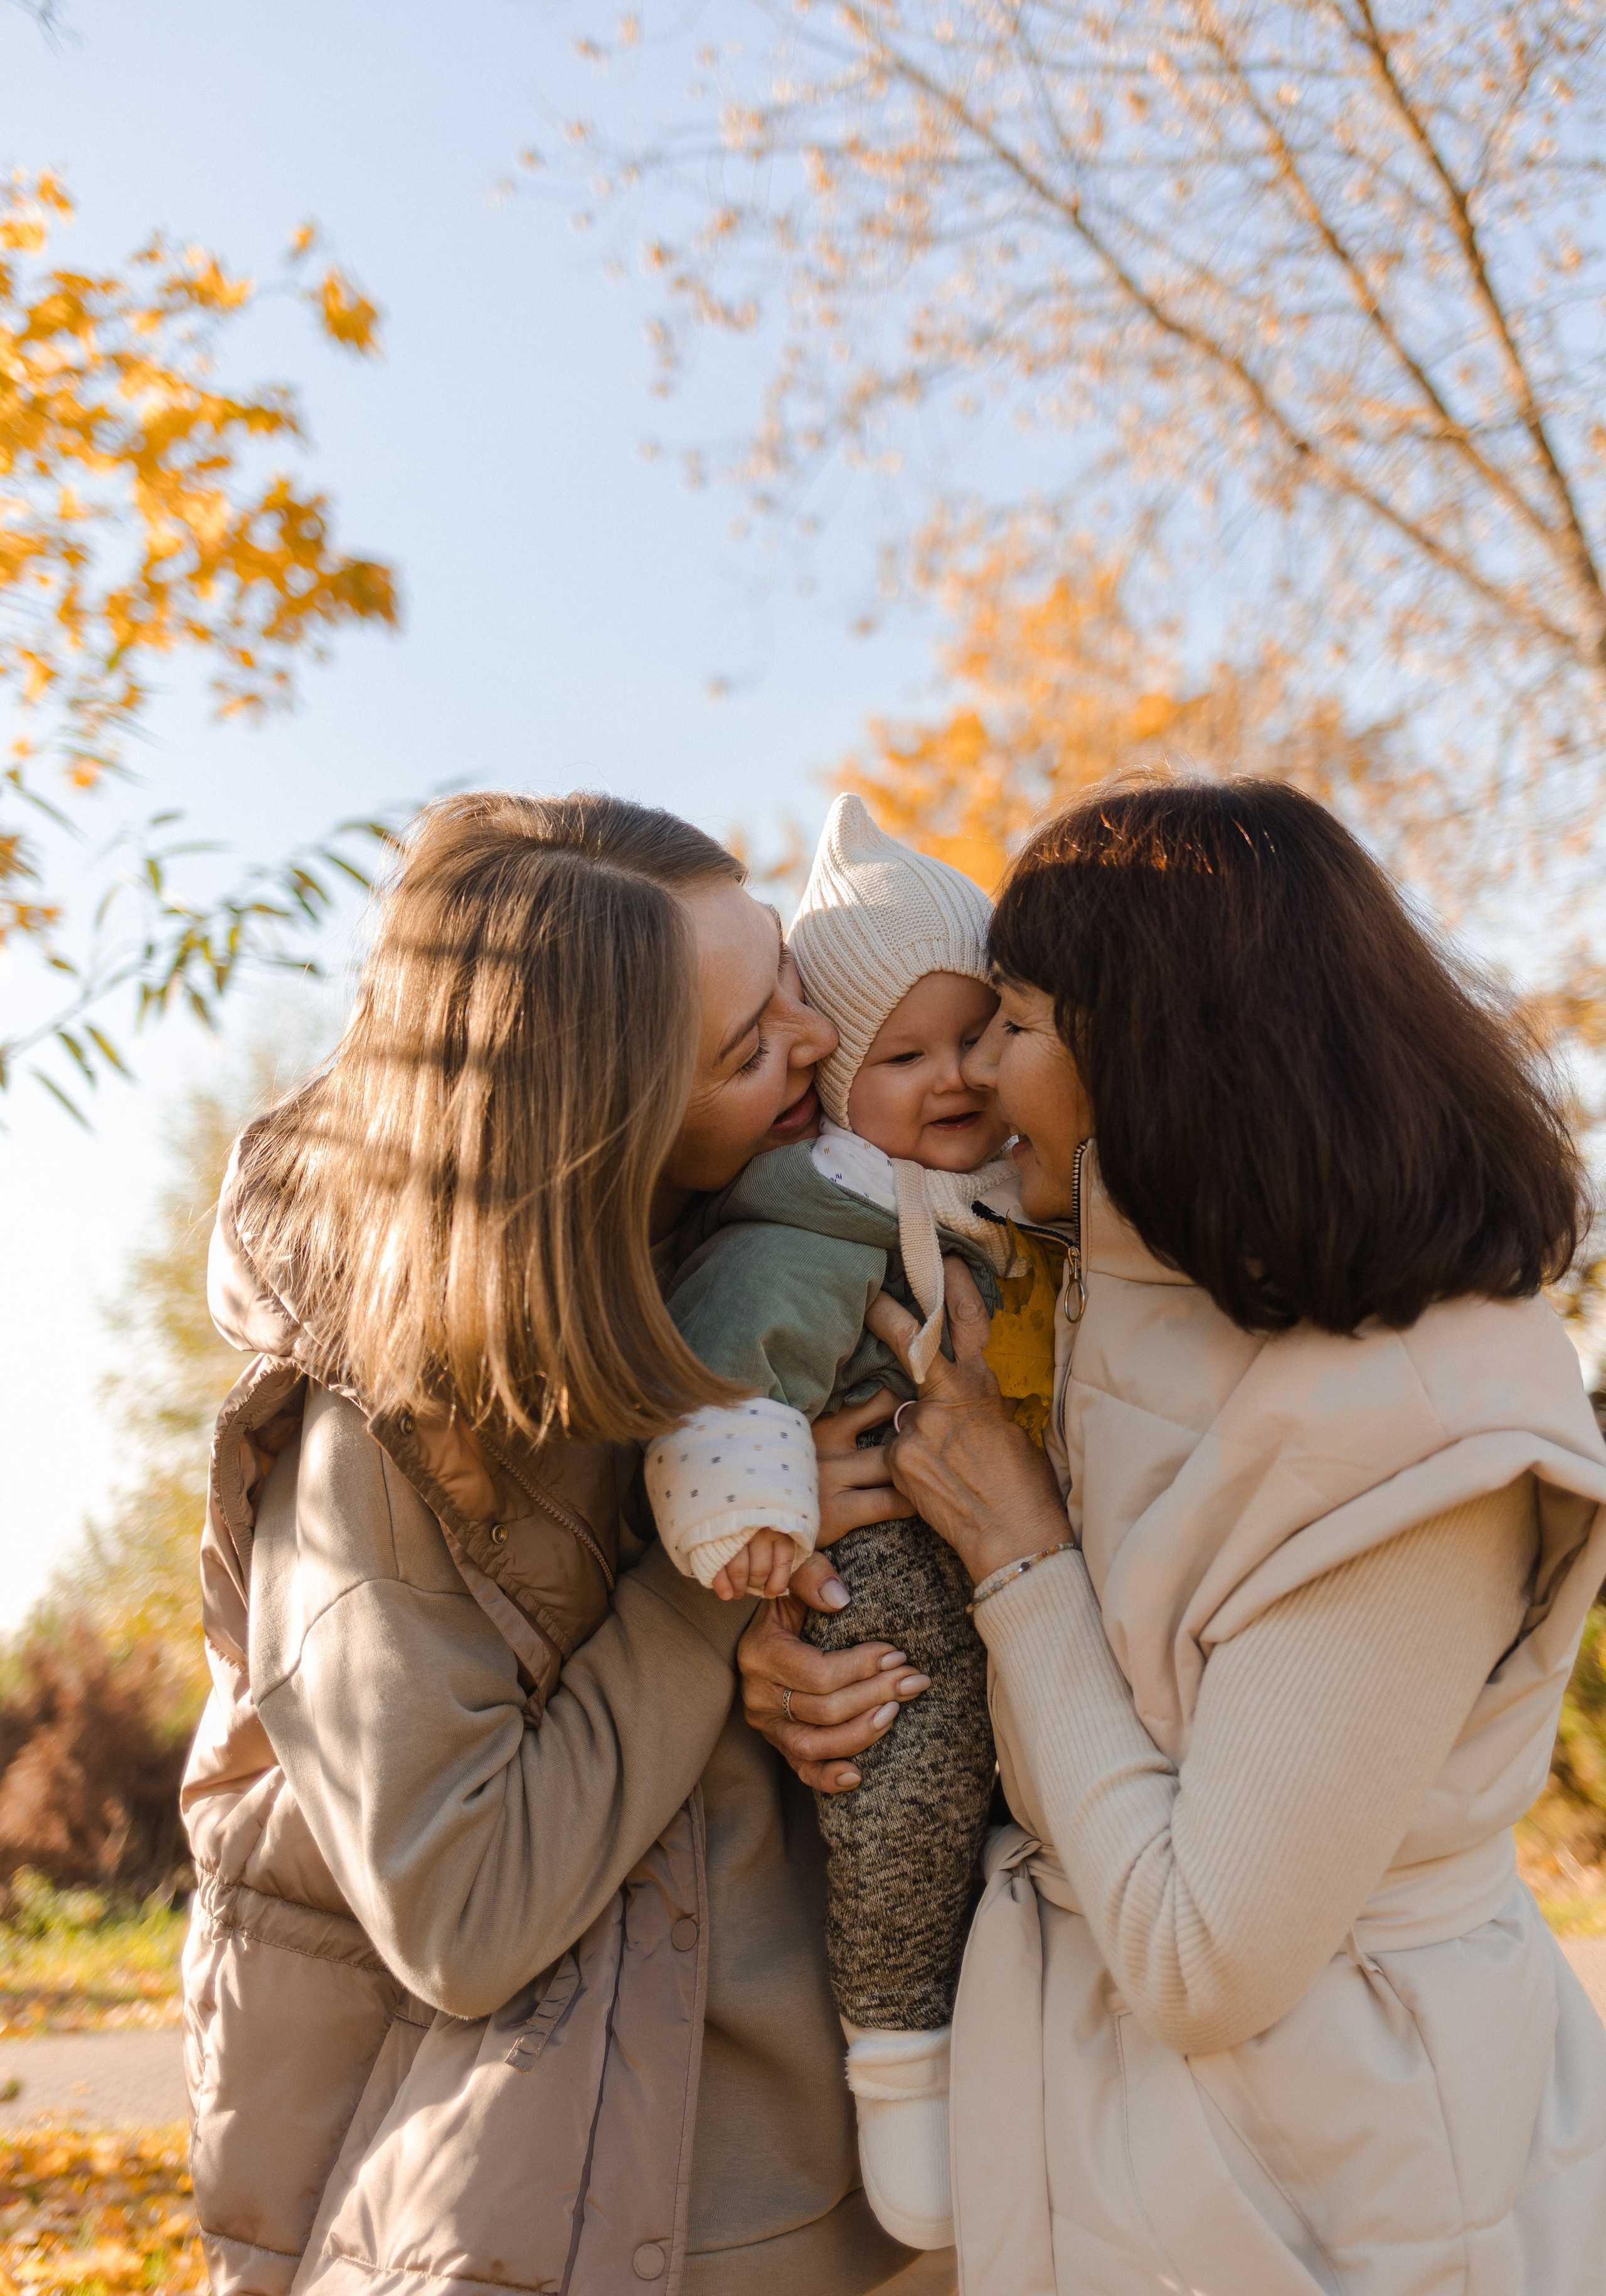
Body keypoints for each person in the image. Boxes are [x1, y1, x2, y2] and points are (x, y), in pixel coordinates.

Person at [841, 777, 1606, 2292]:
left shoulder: (1421, 1423)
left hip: (1346, 2186)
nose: (980, 1077)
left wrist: (1014, 1553)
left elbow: (1205, 1956)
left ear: (1157, 1047)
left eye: (1014, 1023)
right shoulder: (1117, 1297)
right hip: (1123, 2149)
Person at [181, 789, 950, 2296]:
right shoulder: (372, 1448)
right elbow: (461, 1912)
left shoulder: (757, 1267)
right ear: (601, 1129)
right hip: (624, 2224)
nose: (812, 1041)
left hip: (886, 2198)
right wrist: (705, 1603)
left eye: (784, 974)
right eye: (746, 1049)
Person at [642, 796, 1063, 2250]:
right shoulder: (817, 1216)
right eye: (900, 1054)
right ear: (830, 1083)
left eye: (975, 1036)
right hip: (878, 1564)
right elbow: (729, 1364)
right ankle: (899, 2067)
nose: (949, 1078)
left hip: (1014, 1563)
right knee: (903, 1765)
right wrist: (756, 1503)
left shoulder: (1029, 1199)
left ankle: (1000, 2066)